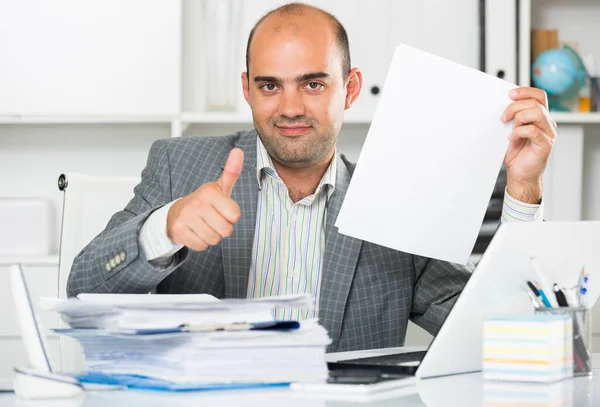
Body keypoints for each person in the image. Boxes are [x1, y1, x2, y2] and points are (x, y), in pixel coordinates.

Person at [68, 3, 556, 352]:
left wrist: (522, 191)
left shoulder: (396, 201)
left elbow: (498, 335)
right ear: (248, 89)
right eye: (269, 85)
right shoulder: (180, 167)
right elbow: (82, 288)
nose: (291, 108)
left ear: (350, 88)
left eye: (313, 83)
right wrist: (166, 226)